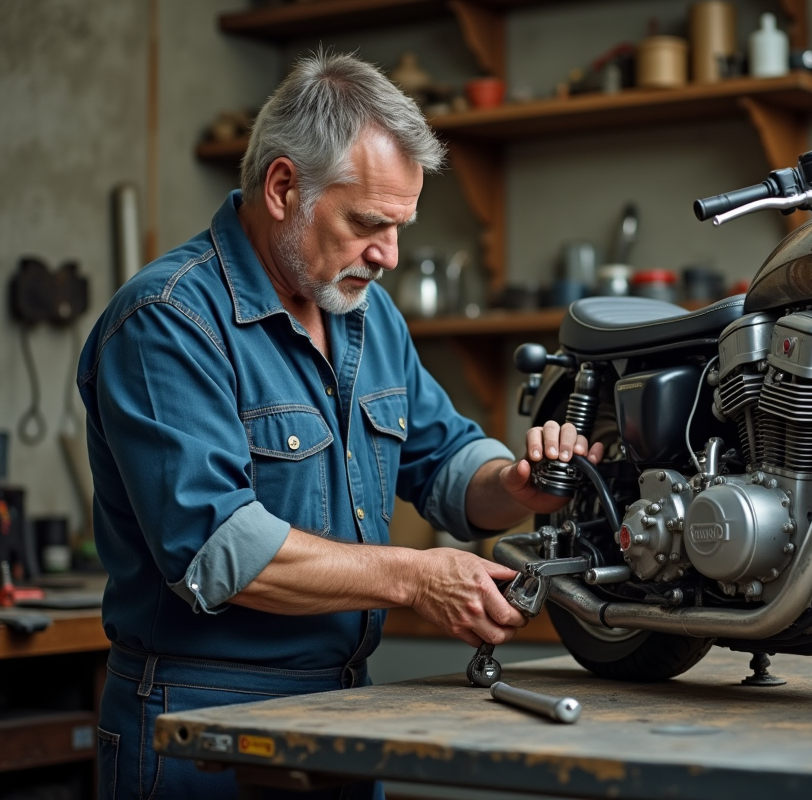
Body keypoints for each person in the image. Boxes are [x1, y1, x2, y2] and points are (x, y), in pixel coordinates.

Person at [77, 52, 601, 800]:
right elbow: (216, 551)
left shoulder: (363, 312)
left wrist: (517, 486)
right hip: (200, 719)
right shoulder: (168, 320)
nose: (389, 255)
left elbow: (446, 462)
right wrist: (415, 578)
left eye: (399, 226)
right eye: (367, 224)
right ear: (283, 187)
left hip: (344, 708)